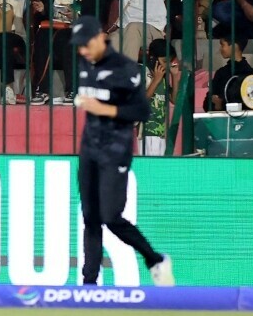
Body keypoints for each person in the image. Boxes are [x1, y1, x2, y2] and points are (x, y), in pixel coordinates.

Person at [69, 15, 174, 287]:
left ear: (100, 38)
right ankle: (89, 284)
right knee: (90, 218)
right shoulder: (86, 65)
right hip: (90, 148)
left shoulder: (125, 69)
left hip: (115, 150)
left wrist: (104, 109)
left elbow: (141, 111)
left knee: (110, 217)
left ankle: (155, 260)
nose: (82, 50)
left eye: (86, 44)